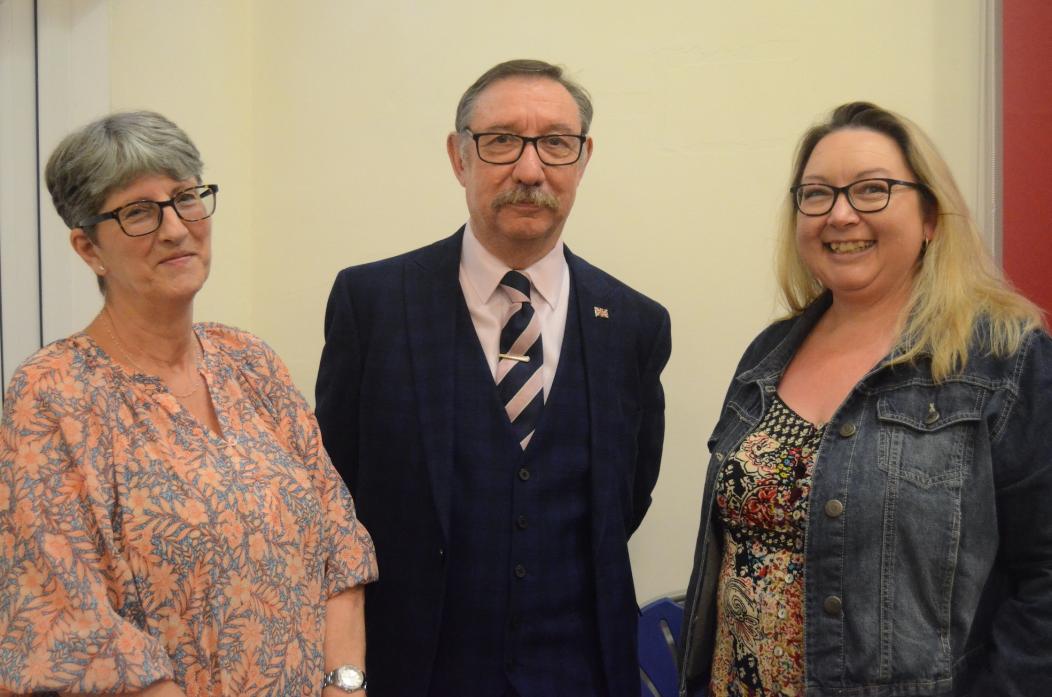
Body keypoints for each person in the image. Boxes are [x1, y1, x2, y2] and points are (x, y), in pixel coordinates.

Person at [315, 59, 672, 697]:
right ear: (459, 157)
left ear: (583, 160)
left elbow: (629, 496)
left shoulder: (636, 325)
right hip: (412, 670)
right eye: (502, 141)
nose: (530, 170)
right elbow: (333, 495)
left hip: (582, 672)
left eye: (556, 144)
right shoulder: (371, 303)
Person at [678, 101, 1052, 697]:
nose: (841, 215)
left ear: (930, 215)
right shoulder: (768, 355)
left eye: (873, 190)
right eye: (817, 194)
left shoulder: (1003, 357)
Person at [0, 111, 377, 696]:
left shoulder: (250, 362)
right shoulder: (53, 395)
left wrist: (344, 684)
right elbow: (70, 621)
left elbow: (340, 548)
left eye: (185, 198)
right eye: (138, 212)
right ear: (88, 248)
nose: (175, 228)